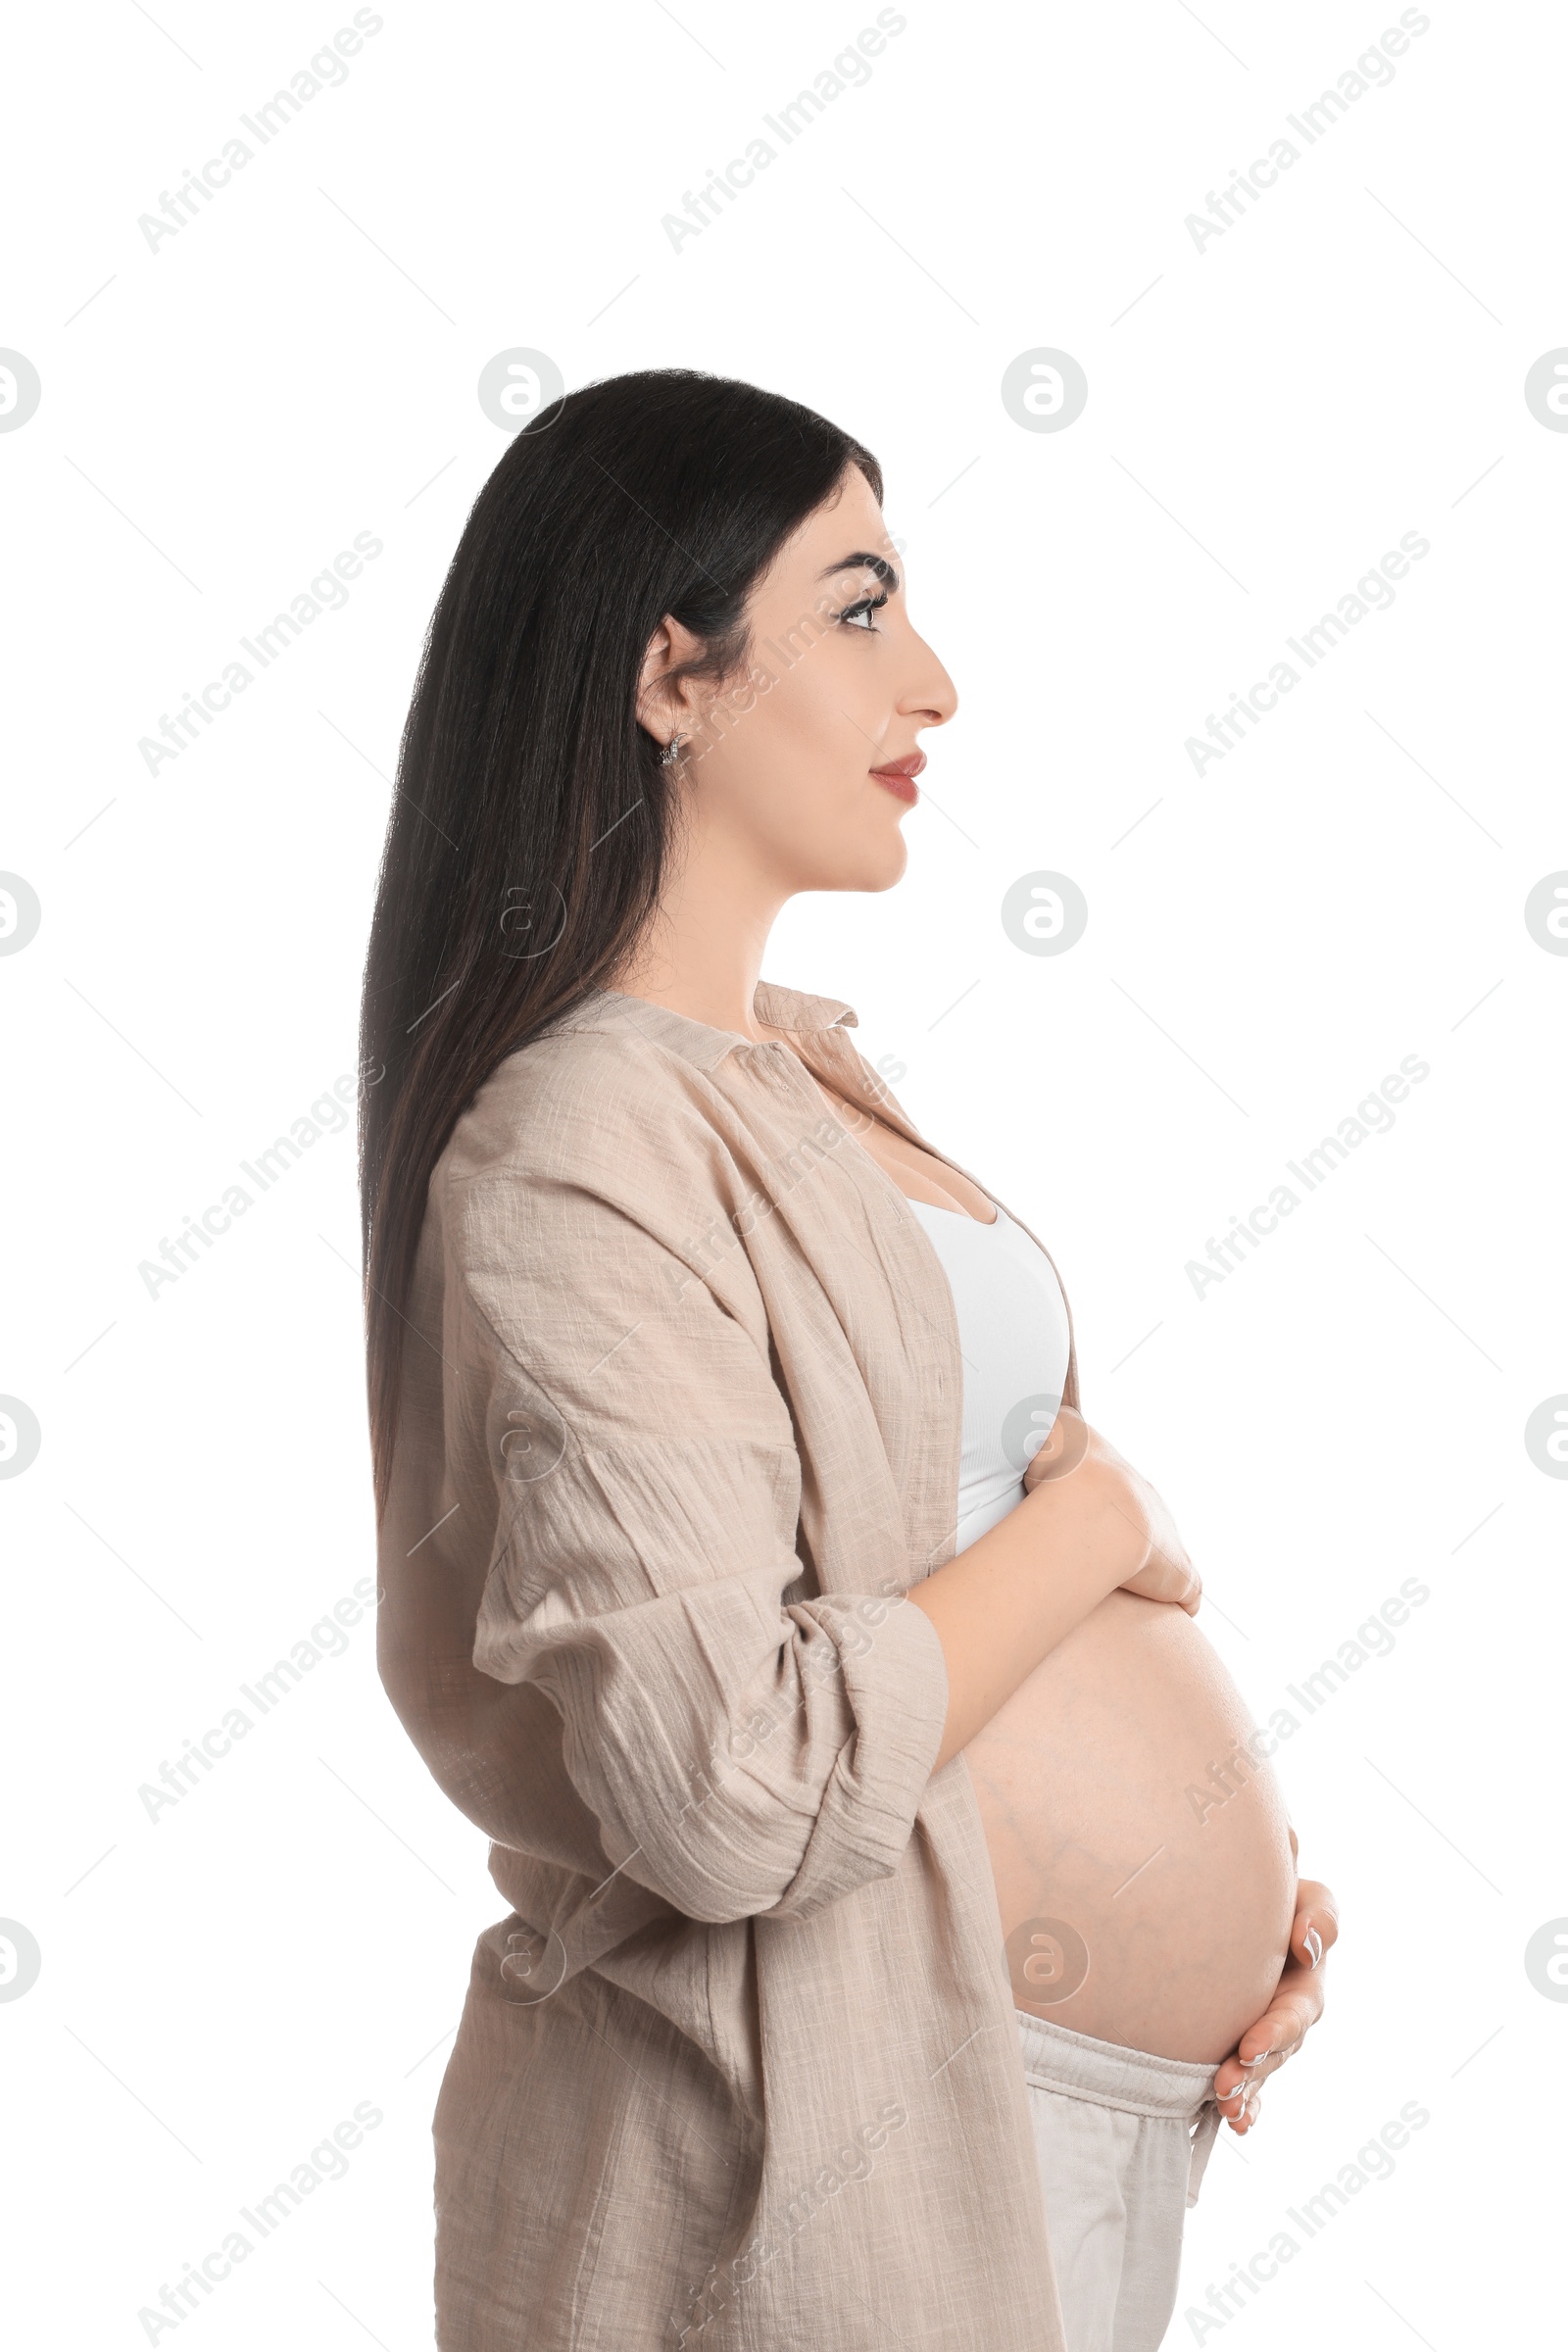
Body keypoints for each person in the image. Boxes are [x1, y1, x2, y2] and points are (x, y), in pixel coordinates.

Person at [359, 368, 1339, 2351]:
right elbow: (728, 1788)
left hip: (1035, 2106)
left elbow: (921, 1541)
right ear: (670, 676)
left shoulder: (800, 1078)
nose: (936, 688)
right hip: (796, 2169)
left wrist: (1234, 1896)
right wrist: (1110, 1525)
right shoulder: (574, 1147)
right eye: (863, 603)